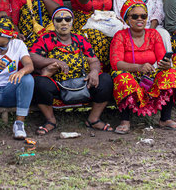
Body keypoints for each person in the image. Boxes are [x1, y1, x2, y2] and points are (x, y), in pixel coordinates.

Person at [30, 7, 114, 135]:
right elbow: (33, 57)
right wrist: (54, 61)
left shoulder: (80, 39)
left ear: (72, 21)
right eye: (59, 20)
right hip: (57, 84)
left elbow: (94, 60)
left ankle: (93, 119)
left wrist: (94, 72)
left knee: (106, 80)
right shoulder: (46, 39)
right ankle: (50, 121)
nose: (63, 23)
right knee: (39, 83)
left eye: (67, 19)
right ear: (53, 23)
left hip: (84, 82)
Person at [110, 0, 176, 134]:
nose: (140, 19)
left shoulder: (153, 34)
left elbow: (161, 58)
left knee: (173, 73)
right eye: (135, 16)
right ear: (127, 19)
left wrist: (166, 64)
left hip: (149, 75)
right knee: (122, 78)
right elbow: (116, 63)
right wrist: (138, 67)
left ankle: (165, 119)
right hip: (130, 74)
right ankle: (125, 120)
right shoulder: (120, 36)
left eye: (143, 16)